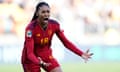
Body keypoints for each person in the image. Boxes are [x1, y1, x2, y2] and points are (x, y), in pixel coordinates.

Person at [21, 1, 93, 72]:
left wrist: (81, 53)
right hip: (30, 60)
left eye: (48, 12)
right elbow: (30, 53)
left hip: (46, 55)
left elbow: (66, 42)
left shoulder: (54, 25)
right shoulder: (30, 29)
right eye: (43, 12)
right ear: (37, 14)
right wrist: (40, 62)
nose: (46, 14)